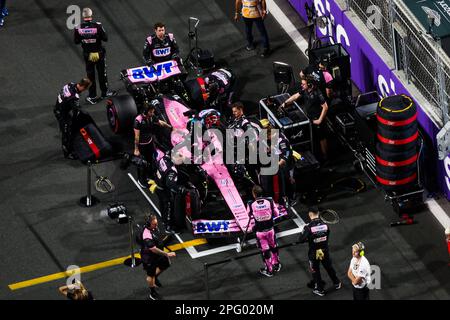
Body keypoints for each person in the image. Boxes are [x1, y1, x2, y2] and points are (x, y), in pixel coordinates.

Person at [281, 76, 329, 162]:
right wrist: (285, 103)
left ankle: (326, 157)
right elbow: (296, 96)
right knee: (312, 136)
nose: (302, 85)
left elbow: (325, 107)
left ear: (309, 85)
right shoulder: (304, 90)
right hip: (309, 118)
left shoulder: (317, 93)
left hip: (317, 119)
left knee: (322, 138)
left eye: (303, 84)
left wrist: (320, 120)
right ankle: (315, 154)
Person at [74, 8, 116, 105]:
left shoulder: (78, 28)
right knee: (102, 73)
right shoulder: (97, 25)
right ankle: (105, 92)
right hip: (99, 53)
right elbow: (105, 38)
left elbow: (76, 41)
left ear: (83, 17)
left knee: (90, 75)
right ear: (91, 16)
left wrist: (85, 39)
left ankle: (92, 96)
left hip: (88, 55)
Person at [299, 206, 341, 296]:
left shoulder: (308, 227)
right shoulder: (325, 225)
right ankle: (337, 282)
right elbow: (326, 236)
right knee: (328, 267)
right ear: (318, 213)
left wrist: (305, 232)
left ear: (310, 215)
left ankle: (320, 289)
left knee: (315, 270)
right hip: (323, 250)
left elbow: (301, 240)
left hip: (314, 252)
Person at [134, 99, 172, 187]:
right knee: (142, 163)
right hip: (142, 145)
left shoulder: (151, 116)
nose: (152, 113)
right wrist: (136, 149)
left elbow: (160, 122)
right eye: (151, 112)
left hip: (150, 142)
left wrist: (171, 127)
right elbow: (137, 137)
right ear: (145, 112)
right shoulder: (138, 121)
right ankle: (141, 180)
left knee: (151, 159)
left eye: (153, 112)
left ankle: (150, 174)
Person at [259, 119, 296, 206]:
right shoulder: (272, 137)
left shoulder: (281, 139)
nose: (267, 139)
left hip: (287, 162)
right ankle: (281, 196)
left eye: (267, 137)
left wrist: (280, 162)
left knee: (289, 180)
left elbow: (286, 153)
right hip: (277, 160)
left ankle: (292, 198)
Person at [247, 185, 282, 277]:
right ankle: (277, 264)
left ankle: (269, 270)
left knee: (265, 250)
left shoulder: (250, 203)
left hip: (260, 232)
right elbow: (277, 213)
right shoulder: (270, 200)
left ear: (254, 194)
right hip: (270, 230)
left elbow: (249, 215)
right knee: (273, 246)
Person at [139, 214, 176, 300]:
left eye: (156, 223)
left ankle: (155, 277)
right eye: (154, 224)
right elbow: (153, 249)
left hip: (157, 253)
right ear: (148, 224)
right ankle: (152, 293)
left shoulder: (153, 228)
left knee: (166, 263)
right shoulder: (146, 235)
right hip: (149, 257)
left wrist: (165, 241)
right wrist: (167, 254)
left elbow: (157, 240)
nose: (156, 225)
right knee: (150, 276)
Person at [54, 78, 92, 159]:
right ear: (83, 87)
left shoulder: (70, 84)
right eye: (86, 89)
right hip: (62, 114)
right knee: (66, 133)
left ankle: (69, 144)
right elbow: (76, 112)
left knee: (68, 128)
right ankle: (67, 153)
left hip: (58, 108)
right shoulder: (74, 97)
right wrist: (74, 122)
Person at [155, 151, 187, 234]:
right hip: (163, 189)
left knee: (162, 203)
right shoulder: (172, 171)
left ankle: (163, 219)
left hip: (156, 184)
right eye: (181, 161)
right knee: (169, 206)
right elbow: (169, 184)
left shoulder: (165, 158)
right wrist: (179, 188)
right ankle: (168, 227)